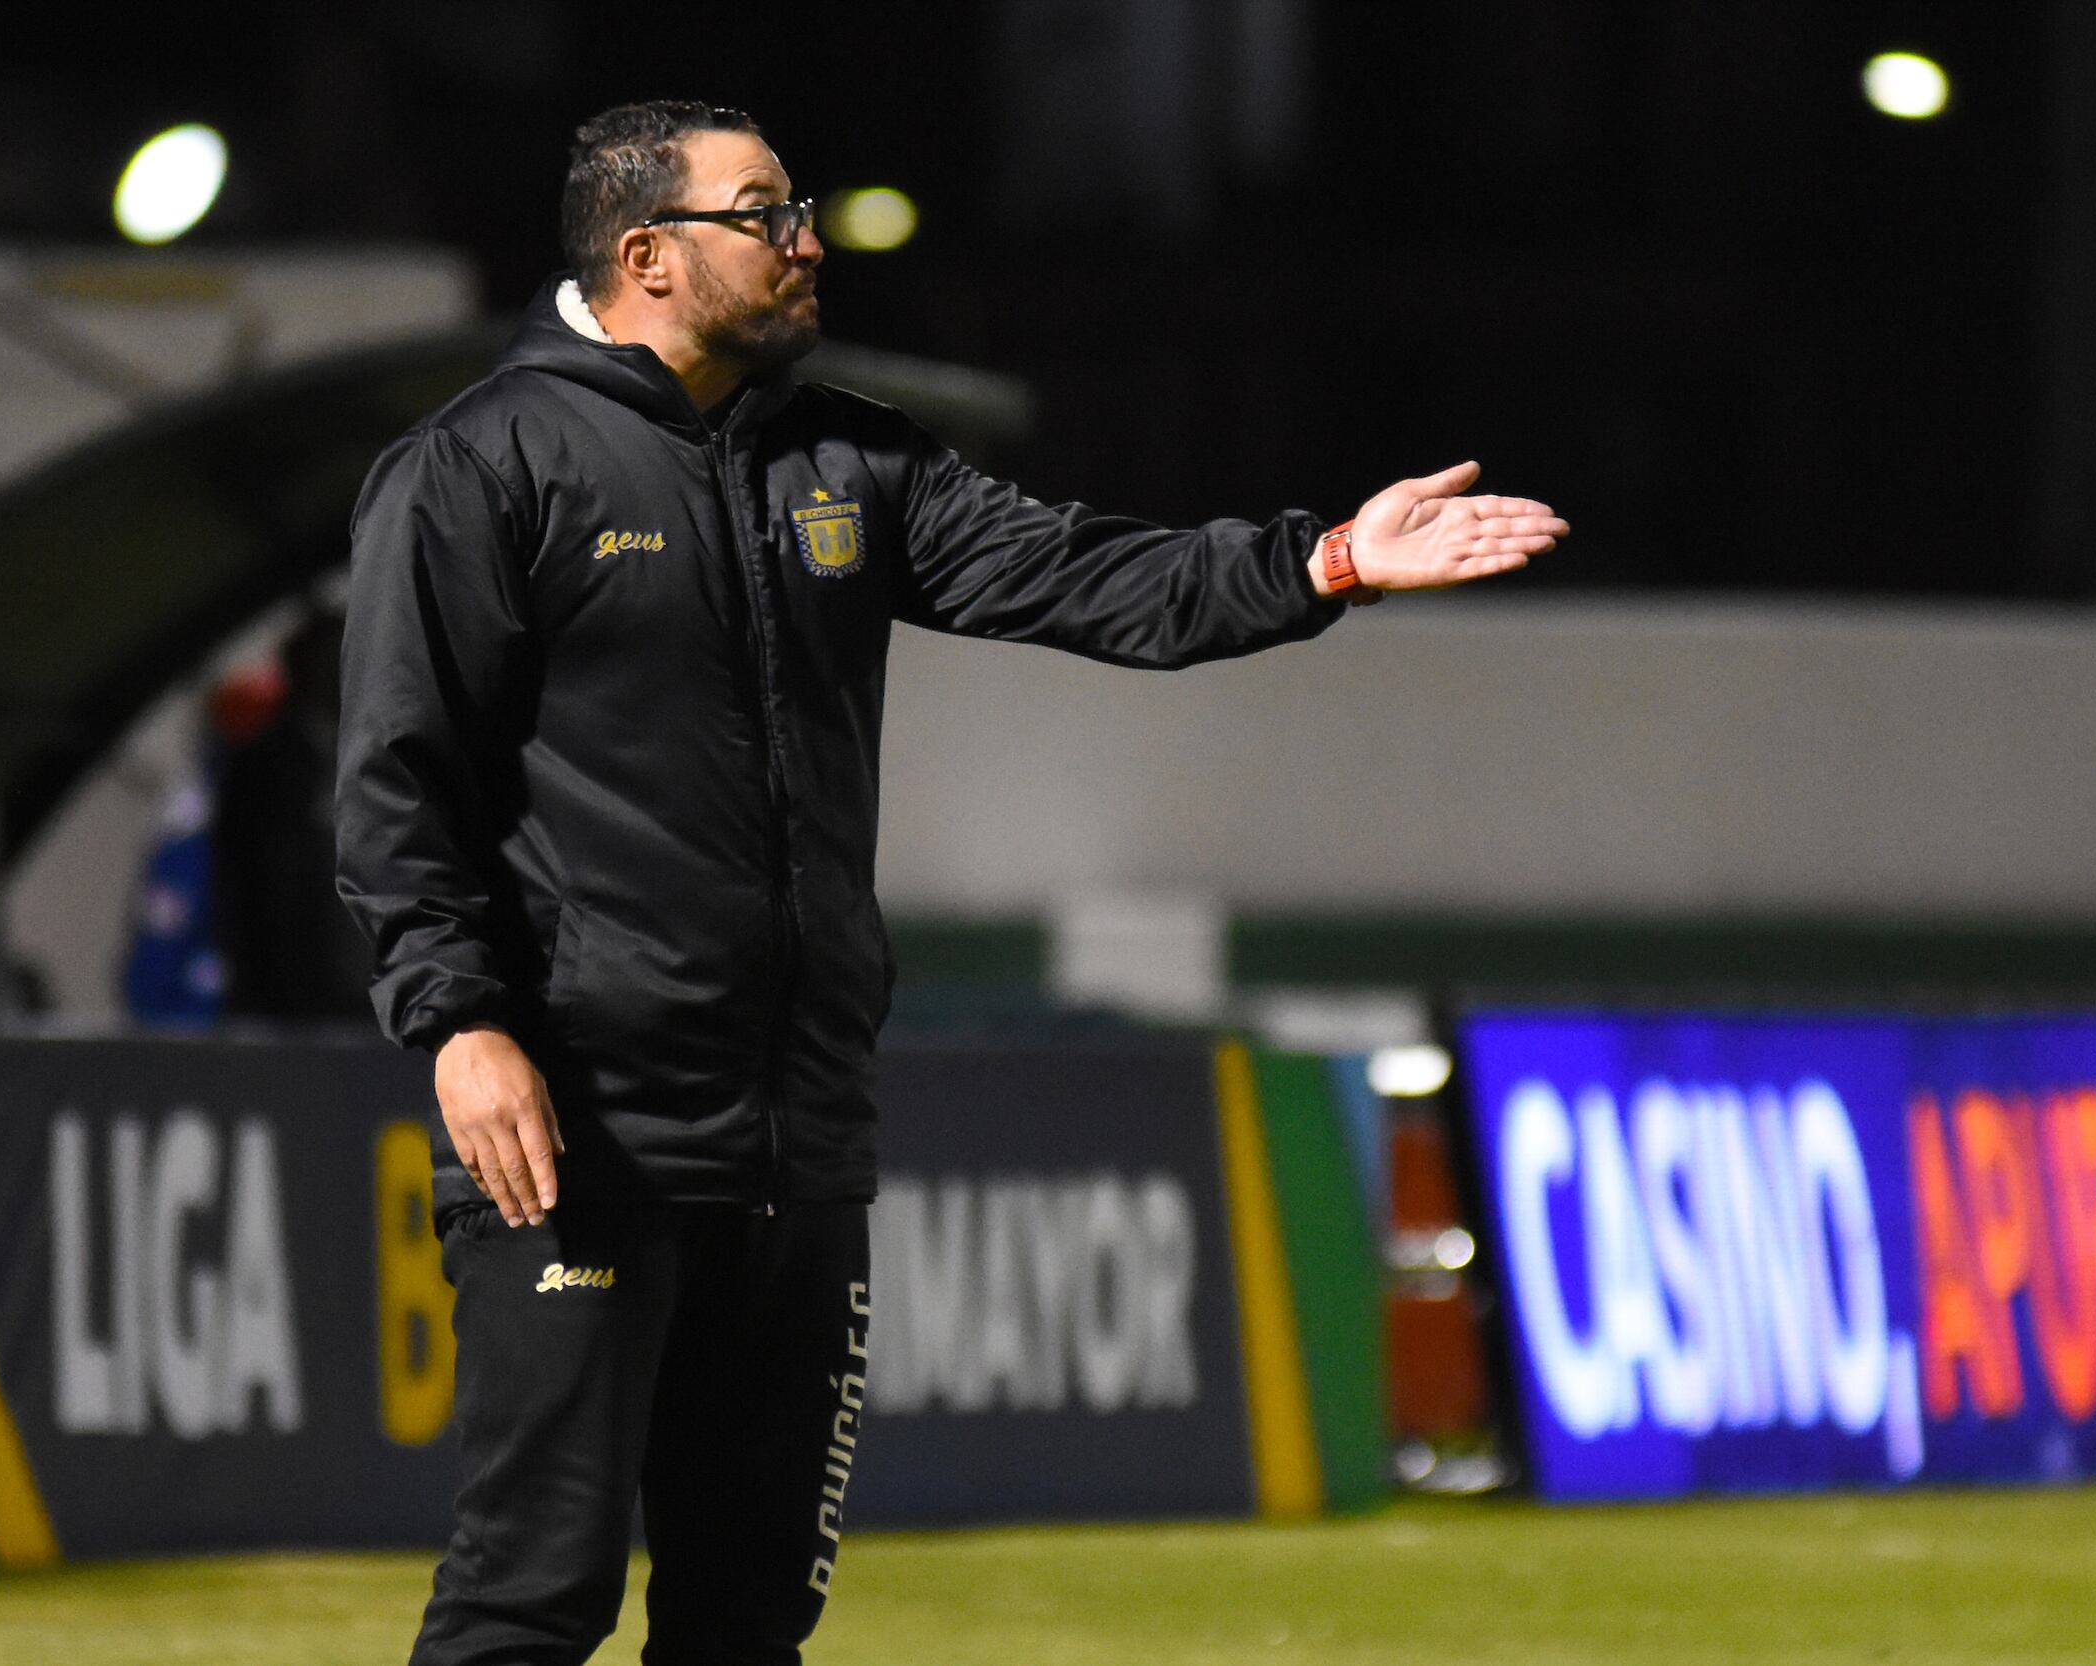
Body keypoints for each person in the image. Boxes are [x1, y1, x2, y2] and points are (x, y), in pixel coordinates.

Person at [335, 99, 1565, 1666]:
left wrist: (1319, 561)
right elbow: (393, 784)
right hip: (586, 1133)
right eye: (763, 212)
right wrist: (461, 1019)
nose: (805, 241)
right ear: (645, 255)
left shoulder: (847, 455)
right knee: (535, 1599)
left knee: (749, 1620)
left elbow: (1095, 576)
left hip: (802, 1138)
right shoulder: (478, 466)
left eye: (799, 209)